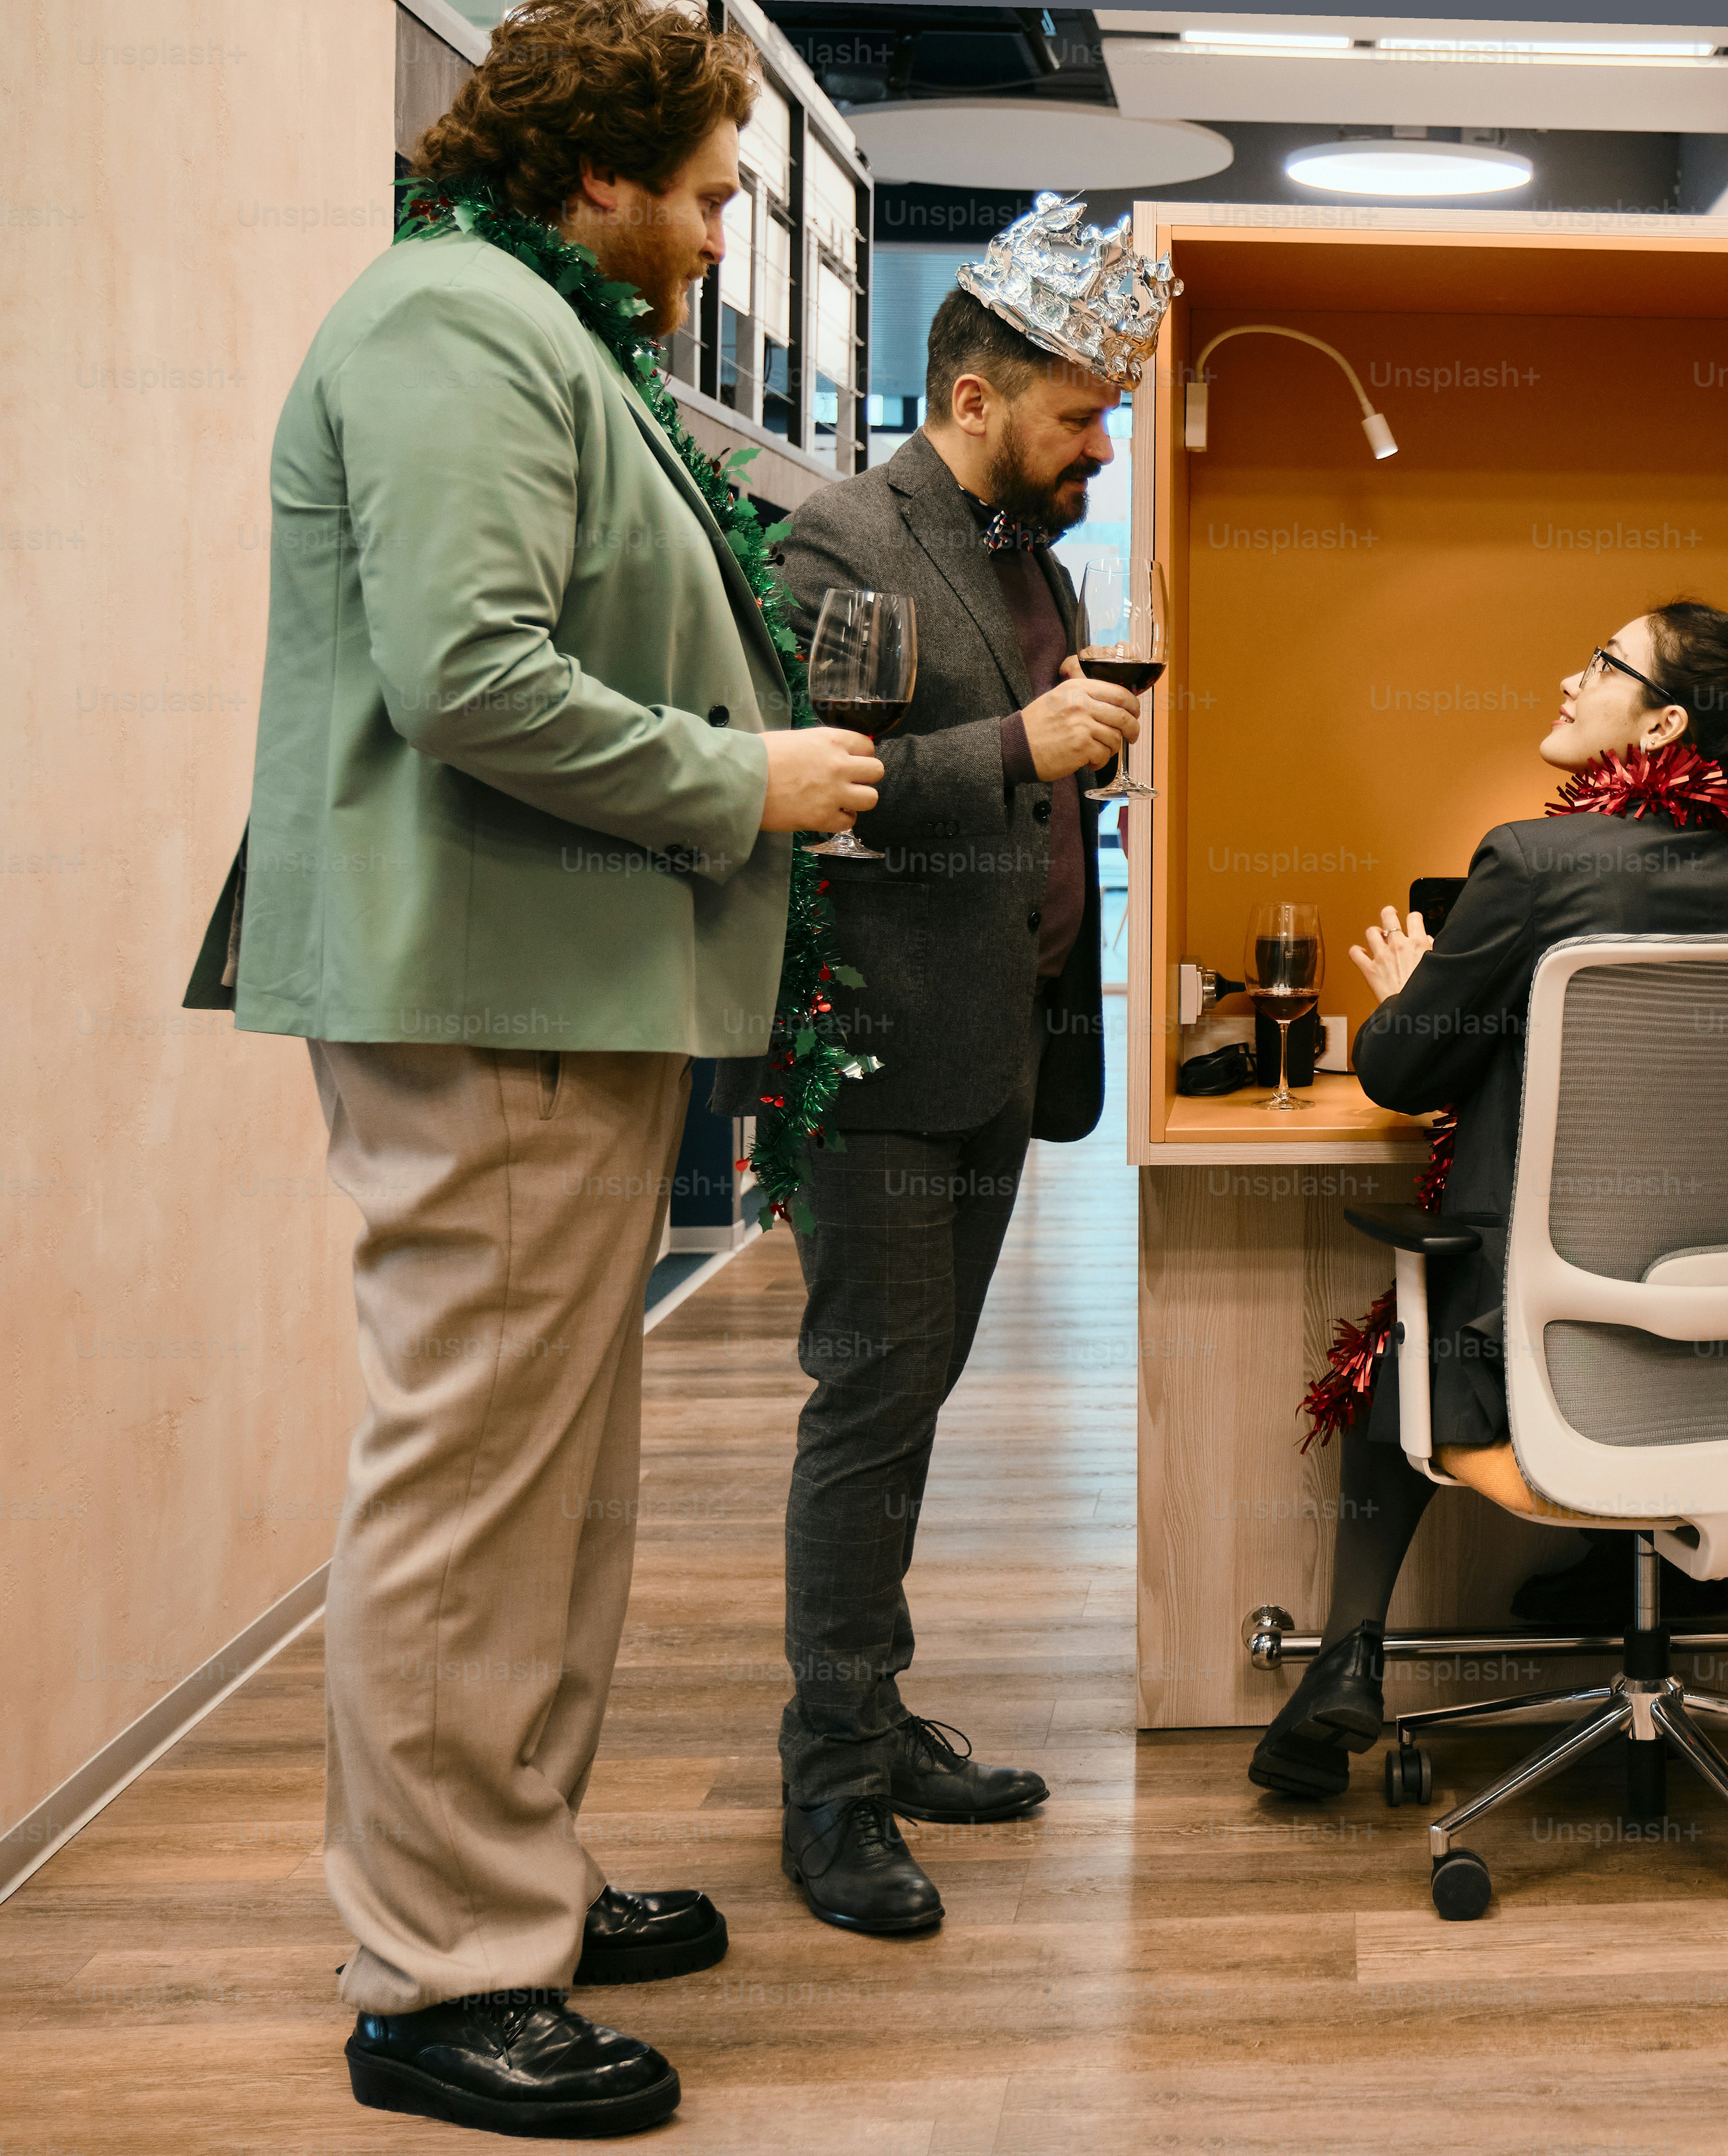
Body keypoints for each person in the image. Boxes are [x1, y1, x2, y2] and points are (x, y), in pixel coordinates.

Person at [188, 0, 881, 2135]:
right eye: (697, 186)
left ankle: (517, 1869)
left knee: (553, 1488)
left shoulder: (540, 330)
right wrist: (738, 776)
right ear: (590, 179)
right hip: (481, 978)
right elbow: (468, 668)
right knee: (472, 1490)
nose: (721, 217)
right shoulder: (450, 326)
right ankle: (438, 1973)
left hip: (563, 981)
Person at [1246, 602, 1728, 1798]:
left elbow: (1403, 1075)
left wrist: (1413, 989)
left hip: (1537, 1354)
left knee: (1404, 1337)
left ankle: (1347, 1653)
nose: (1569, 675)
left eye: (1602, 662)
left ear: (1662, 720)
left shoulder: (1529, 861)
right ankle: (1623, 1586)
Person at [762, 204, 1158, 1937]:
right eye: (1081, 419)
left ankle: (877, 1710)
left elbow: (1015, 775)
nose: (1102, 448)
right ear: (980, 394)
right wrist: (1023, 745)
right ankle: (832, 1790)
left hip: (1000, 1045)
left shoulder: (1035, 563)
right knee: (865, 1416)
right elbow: (820, 780)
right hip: (876, 1058)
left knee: (910, 1402)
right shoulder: (841, 536)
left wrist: (1077, 773)